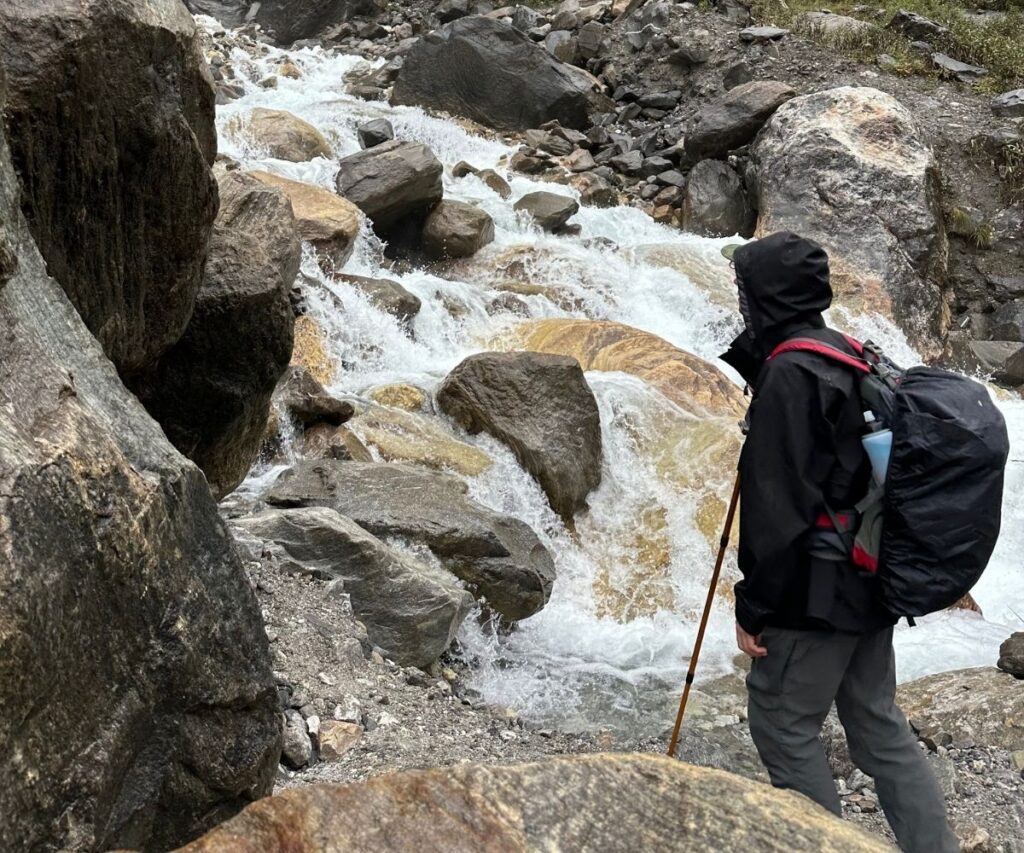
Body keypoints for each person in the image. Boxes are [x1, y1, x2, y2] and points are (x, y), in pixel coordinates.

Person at [718, 232, 958, 853]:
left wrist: (755, 607)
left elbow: (778, 510)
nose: (740, 298)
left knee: (784, 726)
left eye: (746, 288)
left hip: (816, 590)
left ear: (765, 295)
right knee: (878, 726)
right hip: (875, 575)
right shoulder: (850, 351)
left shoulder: (792, 373)